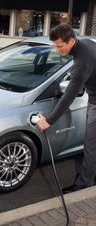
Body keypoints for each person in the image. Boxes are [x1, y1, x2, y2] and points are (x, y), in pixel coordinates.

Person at [36, 23, 96, 194]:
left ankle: (83, 186)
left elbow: (68, 96)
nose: (57, 50)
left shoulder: (82, 63)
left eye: (60, 46)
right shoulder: (87, 43)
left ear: (71, 41)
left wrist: (49, 121)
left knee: (91, 146)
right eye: (55, 46)